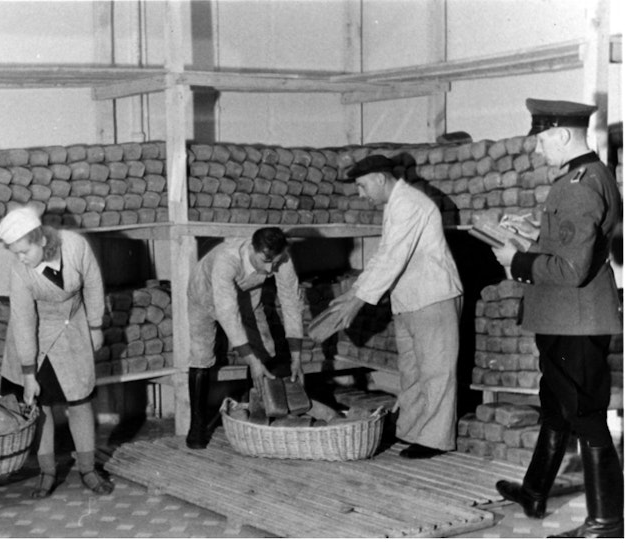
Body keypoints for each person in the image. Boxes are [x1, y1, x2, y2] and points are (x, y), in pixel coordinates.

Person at [492, 99, 623, 538]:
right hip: (569, 318)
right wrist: (534, 234)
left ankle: (606, 522)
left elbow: (569, 269)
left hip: (574, 320)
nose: (538, 148)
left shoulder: (577, 186)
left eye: (542, 139)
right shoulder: (592, 174)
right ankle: (535, 491)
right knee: (556, 406)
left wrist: (516, 261)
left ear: (563, 135)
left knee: (585, 415)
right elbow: (580, 246)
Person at [327, 155, 463, 459]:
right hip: (410, 300)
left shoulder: (410, 203)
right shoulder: (396, 204)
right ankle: (411, 431)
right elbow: (383, 255)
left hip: (433, 297)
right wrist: (353, 293)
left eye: (362, 186)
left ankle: (434, 440)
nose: (361, 193)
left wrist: (358, 302)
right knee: (411, 372)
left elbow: (393, 258)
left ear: (380, 178)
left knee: (435, 372)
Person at [0, 206, 113, 498]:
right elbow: (24, 321)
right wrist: (28, 372)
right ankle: (47, 473)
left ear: (41, 239)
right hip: (36, 337)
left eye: (24, 251)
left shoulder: (74, 245)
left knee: (80, 401)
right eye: (15, 253)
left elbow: (93, 284)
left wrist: (95, 325)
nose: (20, 258)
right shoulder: (20, 271)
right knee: (43, 406)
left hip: (73, 329)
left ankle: (88, 469)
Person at [185, 227, 304, 449]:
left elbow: (291, 303)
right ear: (252, 248)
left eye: (275, 262)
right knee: (202, 355)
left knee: (266, 349)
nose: (269, 269)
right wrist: (251, 360)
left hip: (247, 295)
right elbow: (227, 313)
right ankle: (197, 428)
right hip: (204, 296)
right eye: (265, 261)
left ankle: (255, 417)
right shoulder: (226, 259)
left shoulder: (282, 258)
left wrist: (297, 356)